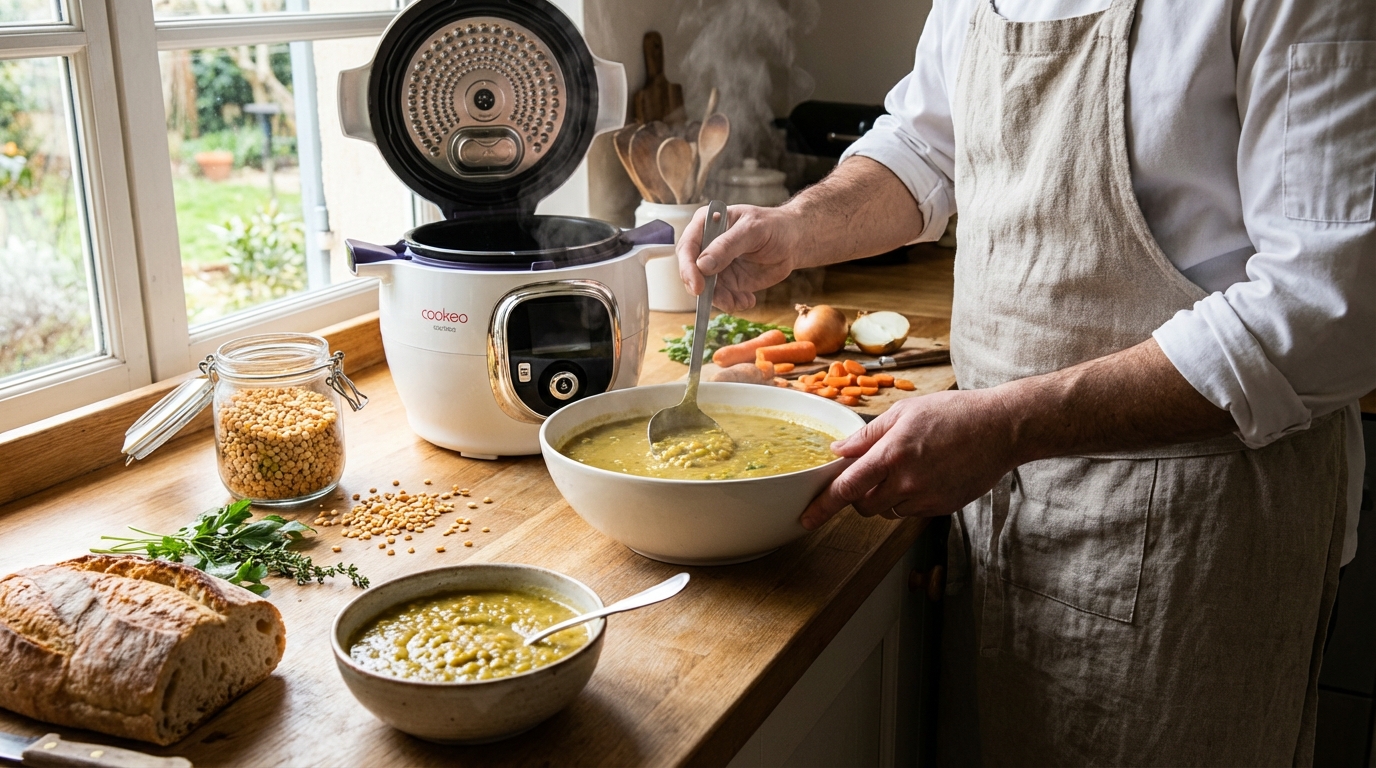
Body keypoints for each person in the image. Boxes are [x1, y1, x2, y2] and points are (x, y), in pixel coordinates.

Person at [675, 0, 1376, 763]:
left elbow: (1330, 310)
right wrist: (797, 227)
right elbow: (925, 147)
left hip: (1197, 536)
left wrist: (1008, 425)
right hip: (993, 503)